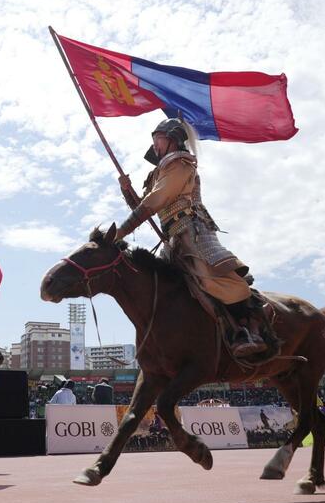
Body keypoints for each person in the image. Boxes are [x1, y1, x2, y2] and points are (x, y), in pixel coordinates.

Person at [113, 118, 270, 359]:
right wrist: (127, 190)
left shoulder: (180, 164)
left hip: (193, 230)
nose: (154, 145)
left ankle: (250, 323)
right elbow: (144, 204)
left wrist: (121, 232)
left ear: (173, 139)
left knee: (209, 280)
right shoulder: (159, 172)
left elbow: (155, 201)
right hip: (172, 237)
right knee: (165, 287)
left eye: (158, 139)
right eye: (153, 140)